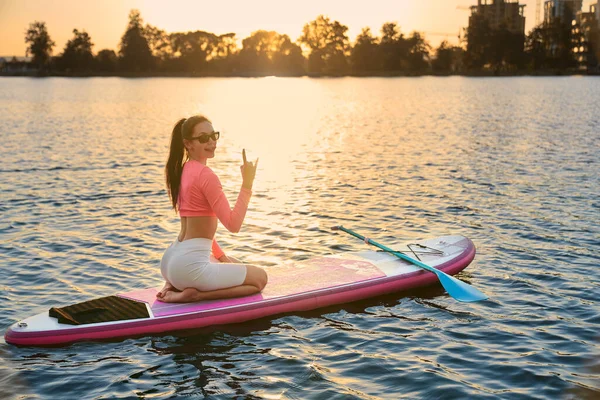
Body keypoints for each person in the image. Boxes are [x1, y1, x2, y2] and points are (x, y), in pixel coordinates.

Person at [157, 115, 268, 303]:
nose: (211, 142)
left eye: (213, 136)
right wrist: (247, 184)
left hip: (170, 262)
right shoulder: (206, 176)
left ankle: (174, 285)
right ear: (188, 144)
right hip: (188, 267)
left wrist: (222, 256)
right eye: (202, 138)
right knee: (260, 278)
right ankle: (195, 295)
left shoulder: (183, 170)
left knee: (231, 261)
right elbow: (233, 225)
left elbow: (202, 224)